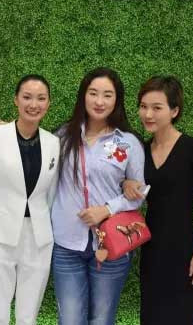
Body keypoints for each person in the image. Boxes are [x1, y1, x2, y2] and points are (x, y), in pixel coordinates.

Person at [51, 67, 146, 325]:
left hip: (111, 245)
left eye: (107, 95)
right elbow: (33, 152)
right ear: (83, 96)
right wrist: (4, 131)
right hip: (66, 244)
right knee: (70, 320)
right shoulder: (62, 136)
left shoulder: (127, 142)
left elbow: (139, 194)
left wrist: (106, 209)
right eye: (93, 93)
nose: (99, 101)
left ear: (117, 100)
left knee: (102, 319)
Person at [123, 76, 193, 325]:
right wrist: (126, 183)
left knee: (183, 315)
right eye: (143, 106)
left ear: (174, 111)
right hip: (151, 248)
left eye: (157, 107)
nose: (148, 114)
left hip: (185, 248)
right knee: (152, 315)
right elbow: (128, 185)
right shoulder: (140, 151)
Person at [0, 74, 61, 325]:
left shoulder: (54, 143)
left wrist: (49, 233)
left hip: (39, 239)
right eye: (27, 97)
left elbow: (51, 194)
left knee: (28, 315)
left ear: (48, 103)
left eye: (41, 98)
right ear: (16, 100)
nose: (34, 104)